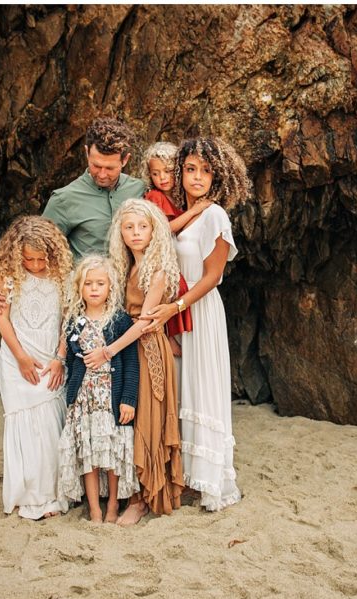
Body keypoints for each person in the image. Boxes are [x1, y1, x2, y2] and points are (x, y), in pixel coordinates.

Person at [141, 137, 251, 512]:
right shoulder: (174, 213)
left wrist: (175, 307)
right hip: (176, 313)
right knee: (182, 391)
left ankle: (211, 481)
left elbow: (212, 276)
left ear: (218, 176)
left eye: (206, 170)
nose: (198, 177)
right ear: (179, 173)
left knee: (202, 389)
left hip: (199, 311)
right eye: (191, 169)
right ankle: (187, 477)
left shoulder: (216, 216)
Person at [82, 198, 184, 525]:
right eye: (129, 227)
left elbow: (143, 322)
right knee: (128, 417)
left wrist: (108, 351)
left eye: (143, 226)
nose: (136, 233)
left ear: (154, 230)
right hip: (129, 349)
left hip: (148, 348)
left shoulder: (158, 270)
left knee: (147, 421)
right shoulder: (128, 267)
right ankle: (129, 492)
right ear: (120, 233)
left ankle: (143, 500)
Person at [0, 117, 145, 312]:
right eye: (96, 166)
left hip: (133, 301)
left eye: (110, 168)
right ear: (87, 153)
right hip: (84, 305)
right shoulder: (64, 199)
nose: (103, 174)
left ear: (125, 160)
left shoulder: (139, 189)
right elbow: (33, 247)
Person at [0, 216, 74, 520]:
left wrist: (60, 358)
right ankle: (31, 497)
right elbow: (2, 320)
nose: (36, 265)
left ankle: (53, 493)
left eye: (42, 259)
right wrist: (22, 357)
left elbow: (68, 319)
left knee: (50, 425)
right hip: (17, 358)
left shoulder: (63, 276)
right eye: (29, 259)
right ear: (16, 254)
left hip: (51, 357)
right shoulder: (7, 276)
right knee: (25, 425)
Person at [57, 255, 140, 523]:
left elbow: (130, 363)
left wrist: (128, 399)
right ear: (79, 288)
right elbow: (71, 361)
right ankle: (94, 509)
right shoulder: (74, 322)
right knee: (88, 454)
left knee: (112, 453)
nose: (94, 288)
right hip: (85, 400)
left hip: (110, 398)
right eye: (88, 283)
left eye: (100, 283)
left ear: (110, 287)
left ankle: (114, 505)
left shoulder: (119, 321)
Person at [141, 141, 211, 233]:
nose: (162, 177)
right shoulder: (155, 197)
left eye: (168, 171)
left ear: (178, 170)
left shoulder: (183, 197)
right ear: (149, 175)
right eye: (155, 174)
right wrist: (193, 211)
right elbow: (162, 231)